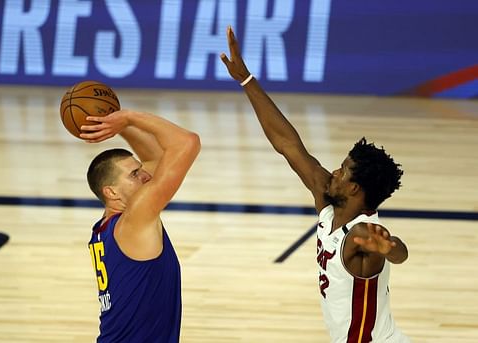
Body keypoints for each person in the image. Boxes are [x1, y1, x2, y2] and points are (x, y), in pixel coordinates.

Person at [220, 26, 410, 342]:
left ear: (354, 189)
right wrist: (246, 80)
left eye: (344, 170)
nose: (335, 171)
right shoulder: (328, 202)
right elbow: (288, 144)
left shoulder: (361, 235)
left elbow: (400, 253)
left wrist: (388, 248)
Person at [80, 109, 201, 342]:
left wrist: (119, 126)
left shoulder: (104, 228)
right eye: (134, 174)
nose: (145, 176)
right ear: (111, 192)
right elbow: (187, 142)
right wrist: (129, 118)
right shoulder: (136, 219)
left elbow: (155, 159)